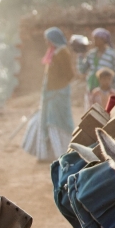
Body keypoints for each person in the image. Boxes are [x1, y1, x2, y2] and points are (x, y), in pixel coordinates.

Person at [22, 27, 74, 162]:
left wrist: (57, 90)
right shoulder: (54, 52)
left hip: (58, 95)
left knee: (56, 123)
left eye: (48, 40)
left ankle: (60, 153)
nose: (46, 43)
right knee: (46, 122)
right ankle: (47, 154)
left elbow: (69, 75)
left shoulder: (62, 53)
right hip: (50, 94)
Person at [77, 28, 115, 101]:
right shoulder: (91, 54)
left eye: (96, 39)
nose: (94, 41)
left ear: (103, 40)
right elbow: (82, 70)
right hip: (92, 87)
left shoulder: (112, 54)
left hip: (106, 89)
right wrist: (80, 55)